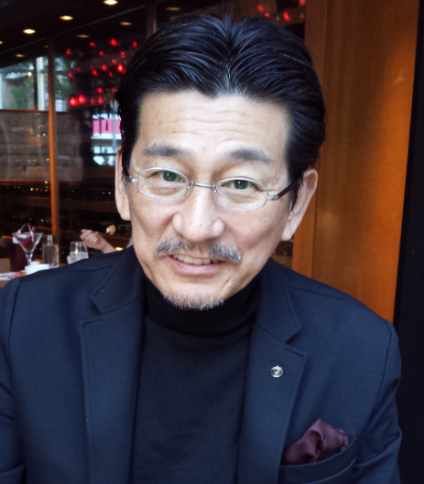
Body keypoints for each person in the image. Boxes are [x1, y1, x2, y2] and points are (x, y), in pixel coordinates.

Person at [0, 15, 401, 484]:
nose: (196, 228)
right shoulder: (26, 323)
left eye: (242, 183)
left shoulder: (360, 351)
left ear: (297, 203)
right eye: (167, 176)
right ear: (123, 184)